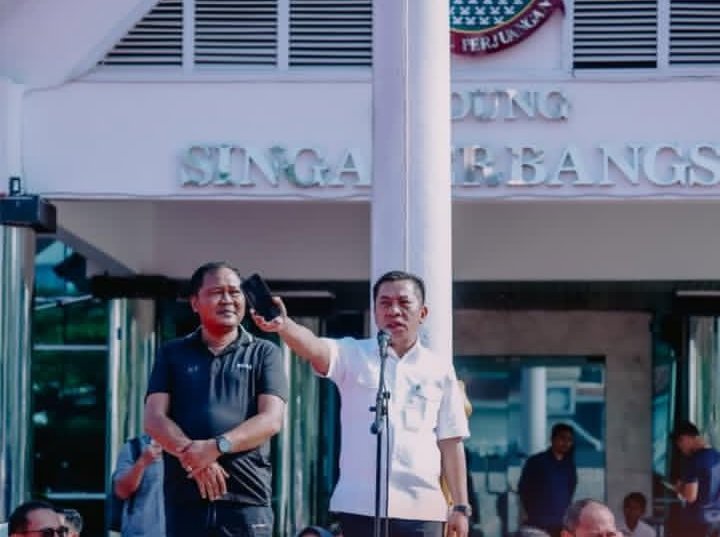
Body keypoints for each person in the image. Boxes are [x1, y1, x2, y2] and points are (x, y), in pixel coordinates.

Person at [252, 270, 471, 537]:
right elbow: (315, 348)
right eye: (385, 303)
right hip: (360, 506)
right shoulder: (354, 354)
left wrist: (461, 506)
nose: (394, 311)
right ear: (375, 312)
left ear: (422, 313)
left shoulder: (439, 369)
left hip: (421, 509)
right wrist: (284, 326)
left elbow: (451, 441)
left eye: (404, 303)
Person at [144, 262, 289, 537]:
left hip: (246, 500)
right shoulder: (172, 353)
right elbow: (154, 419)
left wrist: (216, 447)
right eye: (216, 292)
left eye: (234, 292)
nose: (227, 300)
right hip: (186, 500)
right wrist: (195, 457)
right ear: (194, 302)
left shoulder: (264, 352)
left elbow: (271, 420)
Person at [518, 423, 577, 537]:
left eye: (569, 440)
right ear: (552, 439)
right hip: (538, 523)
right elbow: (523, 489)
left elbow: (571, 490)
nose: (566, 443)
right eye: (562, 438)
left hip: (561, 523)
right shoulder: (536, 462)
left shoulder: (569, 466)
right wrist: (531, 512)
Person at [671, 420, 720, 537]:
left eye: (680, 446)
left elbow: (690, 496)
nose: (681, 450)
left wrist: (679, 488)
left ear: (685, 438)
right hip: (716, 520)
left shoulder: (693, 461)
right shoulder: (717, 457)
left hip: (696, 522)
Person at [112, 434, 165, 536]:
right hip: (140, 532)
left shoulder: (188, 449)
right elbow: (121, 491)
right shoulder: (133, 448)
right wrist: (143, 462)